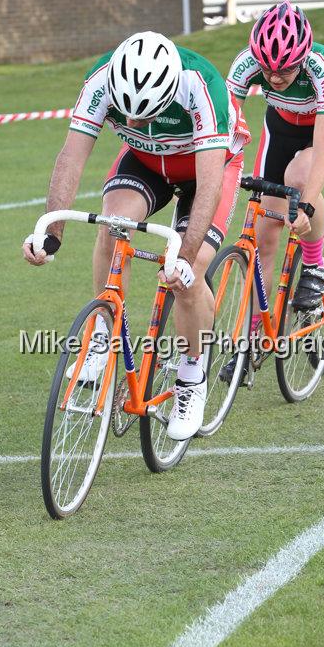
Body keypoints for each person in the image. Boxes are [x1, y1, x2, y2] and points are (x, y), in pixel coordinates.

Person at [23, 31, 250, 440]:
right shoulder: (101, 79)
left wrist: (185, 256)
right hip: (146, 161)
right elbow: (71, 156)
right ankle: (102, 338)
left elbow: (211, 184)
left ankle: (192, 375)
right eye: (125, 115)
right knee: (113, 225)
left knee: (190, 270)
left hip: (206, 168)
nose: (131, 123)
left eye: (143, 115)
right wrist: (51, 231)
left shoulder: (202, 87)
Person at [226, 1, 324, 332]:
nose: (274, 78)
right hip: (283, 129)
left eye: (286, 70)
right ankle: (258, 328)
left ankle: (315, 265)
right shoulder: (246, 64)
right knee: (265, 235)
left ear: (302, 60)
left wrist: (304, 205)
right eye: (267, 69)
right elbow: (224, 130)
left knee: (301, 176)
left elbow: (321, 151)